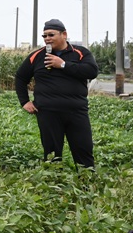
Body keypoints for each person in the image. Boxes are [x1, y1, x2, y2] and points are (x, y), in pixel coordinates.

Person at [14, 18, 99, 168]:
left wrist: (63, 64)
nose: (47, 39)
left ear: (64, 34)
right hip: (48, 113)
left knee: (83, 151)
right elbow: (20, 77)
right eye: (44, 36)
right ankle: (54, 184)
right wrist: (24, 101)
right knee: (52, 155)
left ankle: (87, 184)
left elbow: (91, 71)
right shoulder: (37, 56)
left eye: (51, 35)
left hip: (76, 111)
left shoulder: (80, 53)